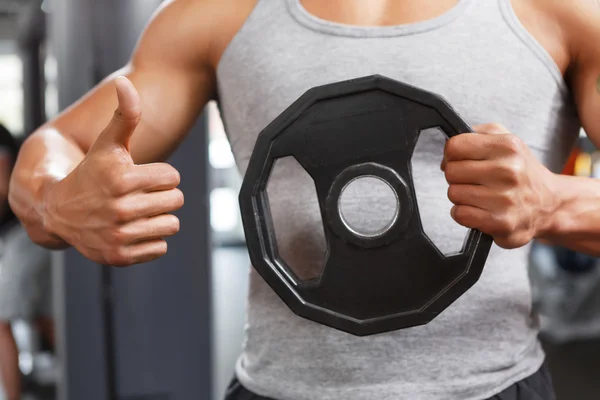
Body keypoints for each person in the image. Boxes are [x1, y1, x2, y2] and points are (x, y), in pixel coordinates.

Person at [8, 0, 600, 399]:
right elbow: (55, 145)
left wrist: (554, 201)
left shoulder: (555, 10)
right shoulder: (219, 11)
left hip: (493, 386)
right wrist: (59, 201)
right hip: (278, 389)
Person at [0, 124, 51, 400]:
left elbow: (3, 186)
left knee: (1, 319)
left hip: (25, 231)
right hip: (19, 234)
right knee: (42, 316)